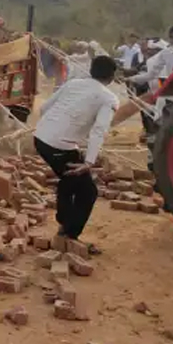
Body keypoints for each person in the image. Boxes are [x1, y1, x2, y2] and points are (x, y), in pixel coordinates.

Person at [34, 55, 120, 254]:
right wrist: (88, 162)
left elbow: (45, 108)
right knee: (88, 191)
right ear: (112, 76)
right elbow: (99, 130)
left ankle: (64, 225)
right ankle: (70, 235)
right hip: (58, 146)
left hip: (40, 139)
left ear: (91, 70)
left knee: (69, 178)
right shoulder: (109, 98)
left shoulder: (73, 84)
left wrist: (54, 130)